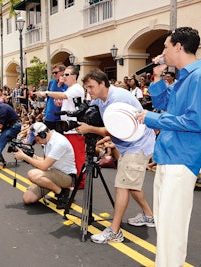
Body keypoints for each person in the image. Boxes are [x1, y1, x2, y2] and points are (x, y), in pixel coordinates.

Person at [136, 27, 201, 267]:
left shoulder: (198, 76)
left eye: (165, 46)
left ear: (179, 47)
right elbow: (164, 103)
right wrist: (157, 76)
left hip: (182, 158)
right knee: (164, 227)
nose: (162, 52)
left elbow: (196, 121)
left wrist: (151, 118)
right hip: (169, 157)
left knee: (172, 230)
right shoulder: (185, 77)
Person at [76, 68, 155, 244]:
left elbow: (115, 129)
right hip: (128, 144)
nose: (89, 91)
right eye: (86, 87)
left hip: (137, 145)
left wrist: (90, 130)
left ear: (103, 83)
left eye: (91, 86)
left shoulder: (117, 99)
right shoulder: (102, 99)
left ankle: (114, 231)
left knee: (122, 185)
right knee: (130, 183)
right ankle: (149, 216)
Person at [37, 65, 86, 189]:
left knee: (77, 156)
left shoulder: (76, 88)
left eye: (66, 75)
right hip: (68, 128)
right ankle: (72, 180)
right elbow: (64, 99)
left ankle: (79, 182)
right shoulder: (70, 89)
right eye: (63, 74)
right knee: (69, 156)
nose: (63, 77)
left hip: (75, 129)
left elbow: (63, 96)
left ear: (74, 76)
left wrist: (46, 93)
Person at [13, 122, 76, 209]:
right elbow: (46, 161)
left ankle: (61, 192)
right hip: (52, 173)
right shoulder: (47, 141)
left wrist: (25, 157)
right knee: (27, 199)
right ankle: (57, 188)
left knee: (32, 174)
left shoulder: (59, 142)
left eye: (37, 139)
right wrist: (30, 155)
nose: (37, 142)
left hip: (66, 177)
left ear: (43, 135)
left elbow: (44, 166)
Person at [43, 63, 67, 130]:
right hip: (49, 115)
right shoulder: (51, 82)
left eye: (56, 73)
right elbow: (48, 97)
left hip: (60, 116)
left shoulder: (67, 83)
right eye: (53, 73)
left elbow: (65, 96)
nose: (54, 74)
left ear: (63, 72)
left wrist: (59, 85)